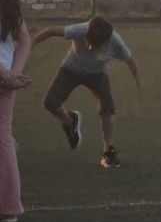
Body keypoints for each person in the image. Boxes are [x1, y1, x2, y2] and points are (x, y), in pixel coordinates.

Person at [33, 16, 143, 169]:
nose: (90, 47)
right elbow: (51, 31)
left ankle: (108, 151)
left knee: (107, 109)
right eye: (88, 41)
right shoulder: (79, 29)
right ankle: (70, 121)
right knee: (50, 103)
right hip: (71, 69)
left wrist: (138, 88)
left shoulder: (116, 42)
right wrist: (29, 45)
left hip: (97, 75)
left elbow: (131, 64)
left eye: (95, 45)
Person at [0, 0, 34, 222]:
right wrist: (12, 73)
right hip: (6, 81)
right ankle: (10, 208)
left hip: (4, 77)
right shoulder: (10, 1)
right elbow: (25, 38)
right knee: (3, 140)